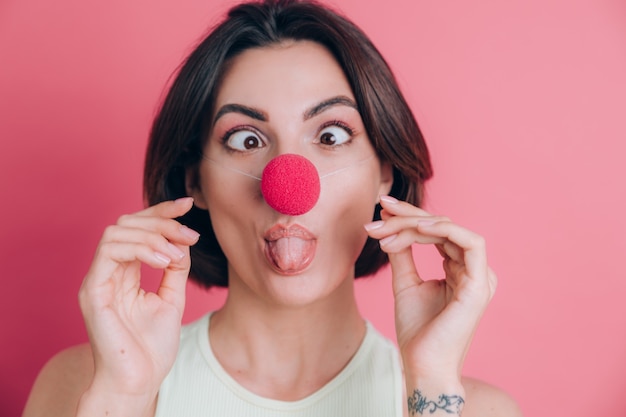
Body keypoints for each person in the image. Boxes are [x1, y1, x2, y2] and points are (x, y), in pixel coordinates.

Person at [23, 0, 522, 416]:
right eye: (246, 139)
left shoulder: (471, 409)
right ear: (196, 179)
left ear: (384, 173)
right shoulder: (84, 388)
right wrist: (124, 398)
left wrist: (431, 379)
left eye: (330, 135)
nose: (286, 184)